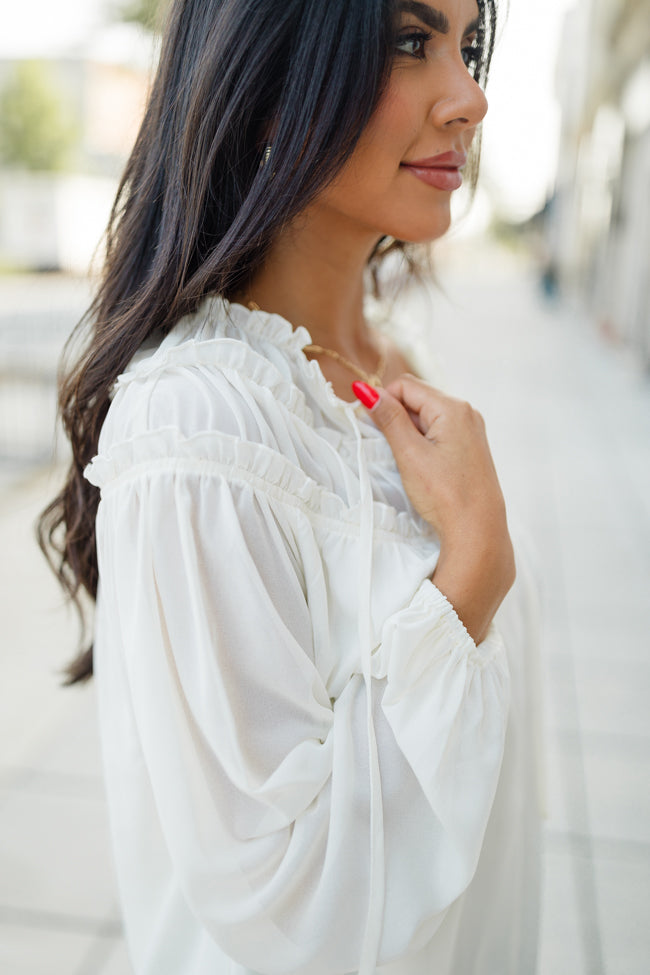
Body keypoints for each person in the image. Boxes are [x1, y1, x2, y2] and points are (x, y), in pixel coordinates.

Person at [40, 0, 542, 972]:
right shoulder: (203, 424)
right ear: (271, 84)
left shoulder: (395, 360)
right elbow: (288, 916)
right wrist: (469, 576)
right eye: (409, 42)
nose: (470, 96)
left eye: (467, 46)